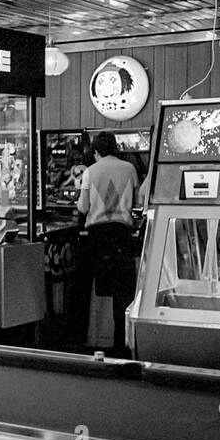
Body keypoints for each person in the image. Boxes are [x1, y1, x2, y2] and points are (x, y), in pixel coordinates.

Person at [78, 131, 140, 358]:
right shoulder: (129, 169)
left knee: (97, 289)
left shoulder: (90, 172)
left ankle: (93, 341)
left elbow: (83, 208)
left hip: (97, 236)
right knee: (123, 293)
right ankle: (120, 345)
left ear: (95, 151)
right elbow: (139, 201)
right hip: (121, 235)